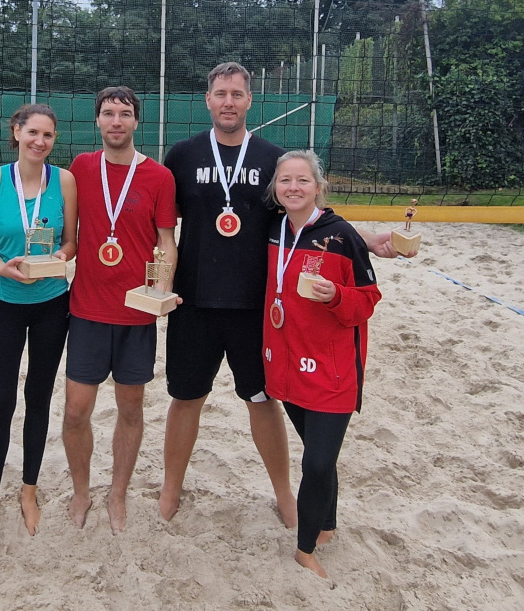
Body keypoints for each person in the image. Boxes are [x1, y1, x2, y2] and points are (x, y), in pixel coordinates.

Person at [159, 62, 402, 525]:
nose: (228, 101)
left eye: (237, 94)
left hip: (257, 306)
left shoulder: (271, 157)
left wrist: (366, 239)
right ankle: (172, 488)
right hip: (194, 302)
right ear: (207, 101)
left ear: (250, 101)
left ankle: (284, 493)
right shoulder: (183, 156)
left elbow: (309, 210)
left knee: (261, 399)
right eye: (220, 94)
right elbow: (162, 226)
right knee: (185, 398)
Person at [62, 86, 178, 533]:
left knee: (131, 408)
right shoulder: (80, 169)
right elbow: (66, 234)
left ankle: (117, 493)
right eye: (108, 113)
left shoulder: (158, 177)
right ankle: (80, 490)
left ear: (136, 121)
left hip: (135, 314)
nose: (116, 121)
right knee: (76, 411)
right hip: (88, 309)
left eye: (124, 114)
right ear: (97, 121)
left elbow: (166, 241)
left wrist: (162, 289)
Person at [262, 150, 381, 578]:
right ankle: (328, 522)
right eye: (285, 181)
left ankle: (305, 548)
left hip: (332, 371)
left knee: (314, 463)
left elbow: (367, 301)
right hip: (288, 367)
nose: (293, 188)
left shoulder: (342, 236)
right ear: (275, 188)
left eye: (302, 181)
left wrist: (334, 296)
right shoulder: (273, 228)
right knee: (320, 457)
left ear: (319, 186)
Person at [0, 103, 78, 538]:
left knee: (39, 398)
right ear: (16, 132)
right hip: (4, 300)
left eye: (48, 135)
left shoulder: (65, 180)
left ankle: (29, 490)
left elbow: (72, 242)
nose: (40, 141)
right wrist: (4, 269)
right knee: (1, 402)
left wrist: (59, 257)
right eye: (32, 132)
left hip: (53, 302)